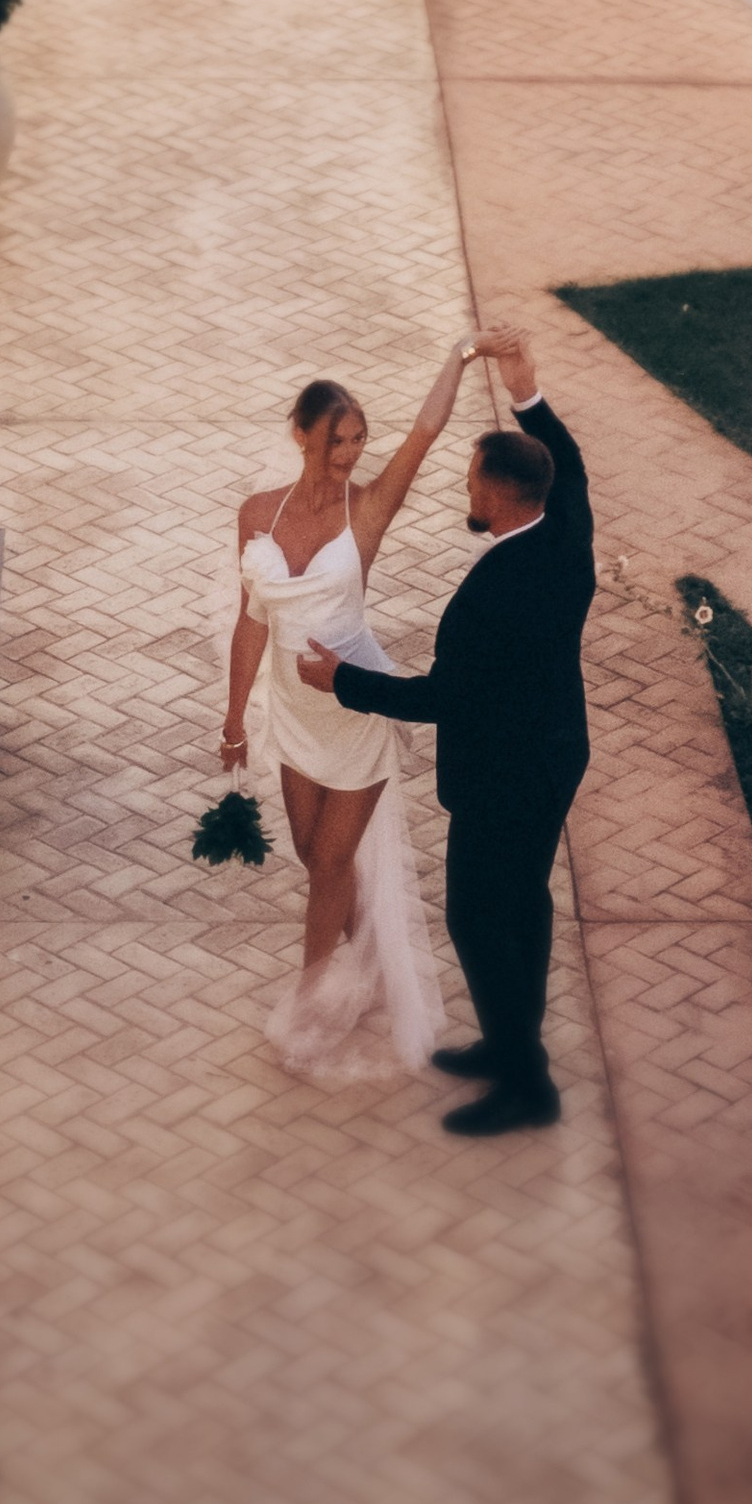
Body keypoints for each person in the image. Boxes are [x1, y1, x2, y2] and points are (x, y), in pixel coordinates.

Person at [297, 323, 592, 1135]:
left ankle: (524, 1083)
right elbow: (568, 458)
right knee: (522, 908)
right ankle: (509, 1048)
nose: (465, 491)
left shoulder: (501, 596)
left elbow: (441, 701)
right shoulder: (566, 533)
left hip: (507, 777)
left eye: (470, 481)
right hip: (553, 755)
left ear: (497, 496)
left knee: (479, 916)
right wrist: (525, 387)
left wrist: (341, 681)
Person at [223, 336, 505, 1083]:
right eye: (336, 439)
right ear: (301, 434)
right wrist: (232, 717)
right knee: (315, 857)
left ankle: (311, 1013)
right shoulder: (255, 513)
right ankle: (369, 969)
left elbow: (427, 429)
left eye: (357, 439)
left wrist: (463, 354)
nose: (349, 452)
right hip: (291, 712)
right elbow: (252, 617)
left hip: (353, 704)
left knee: (329, 866)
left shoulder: (369, 511)